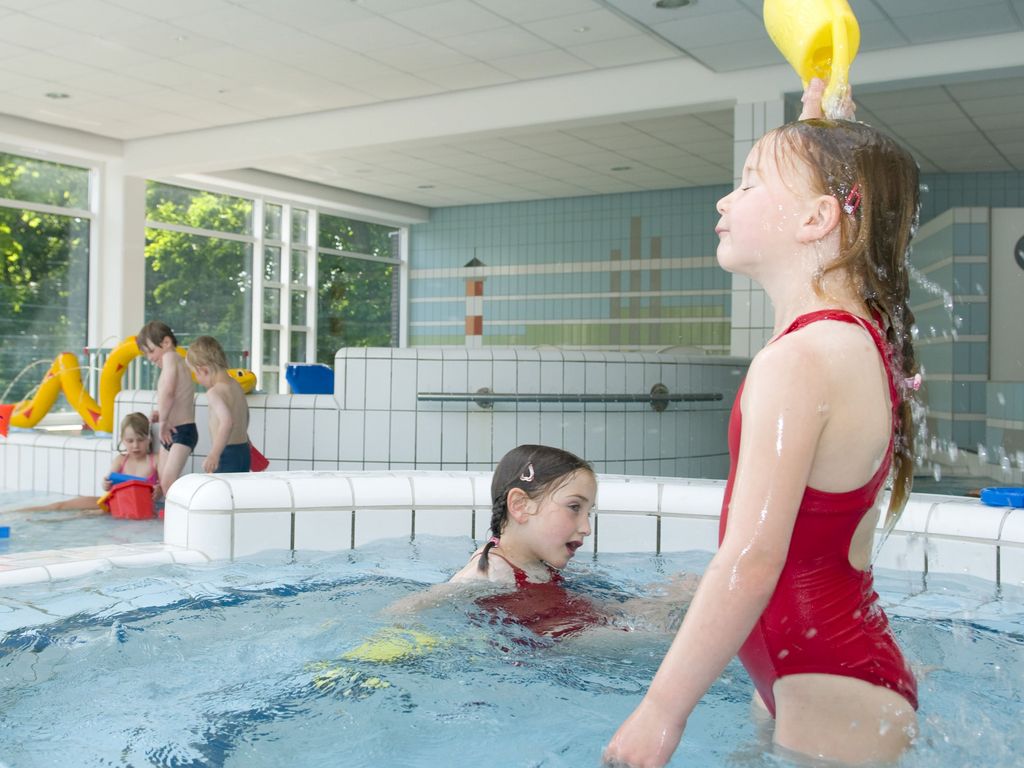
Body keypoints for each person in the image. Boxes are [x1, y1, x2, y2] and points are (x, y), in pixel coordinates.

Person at [604, 79, 922, 767]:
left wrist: (661, 710)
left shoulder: (800, 361)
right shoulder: (851, 338)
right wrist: (817, 131)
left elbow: (751, 562)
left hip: (828, 681)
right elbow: (840, 207)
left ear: (815, 221)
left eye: (748, 184)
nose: (725, 199)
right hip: (822, 665)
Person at [22, 412, 159, 511]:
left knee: (88, 514)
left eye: (140, 440)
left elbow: (164, 490)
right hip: (113, 506)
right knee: (60, 506)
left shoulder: (155, 460)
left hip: (137, 510)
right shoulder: (121, 460)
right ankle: (15, 513)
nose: (135, 446)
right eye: (130, 441)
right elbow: (107, 487)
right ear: (122, 440)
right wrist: (106, 484)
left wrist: (159, 490)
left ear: (149, 439)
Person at [137, 321, 197, 495]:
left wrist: (163, 421)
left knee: (169, 481)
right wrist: (162, 415)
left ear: (166, 343)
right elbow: (173, 396)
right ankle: (166, 516)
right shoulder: (173, 362)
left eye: (151, 351)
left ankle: (180, 517)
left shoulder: (170, 357)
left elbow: (169, 390)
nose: (149, 358)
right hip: (171, 431)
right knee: (163, 482)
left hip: (183, 430)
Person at [186, 335, 251, 474]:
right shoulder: (236, 385)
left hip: (225, 453)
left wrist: (214, 454)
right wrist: (247, 440)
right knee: (237, 493)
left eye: (195, 374)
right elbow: (245, 415)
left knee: (222, 494)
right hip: (244, 451)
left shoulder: (214, 392)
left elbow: (227, 422)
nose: (196, 379)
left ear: (204, 370)